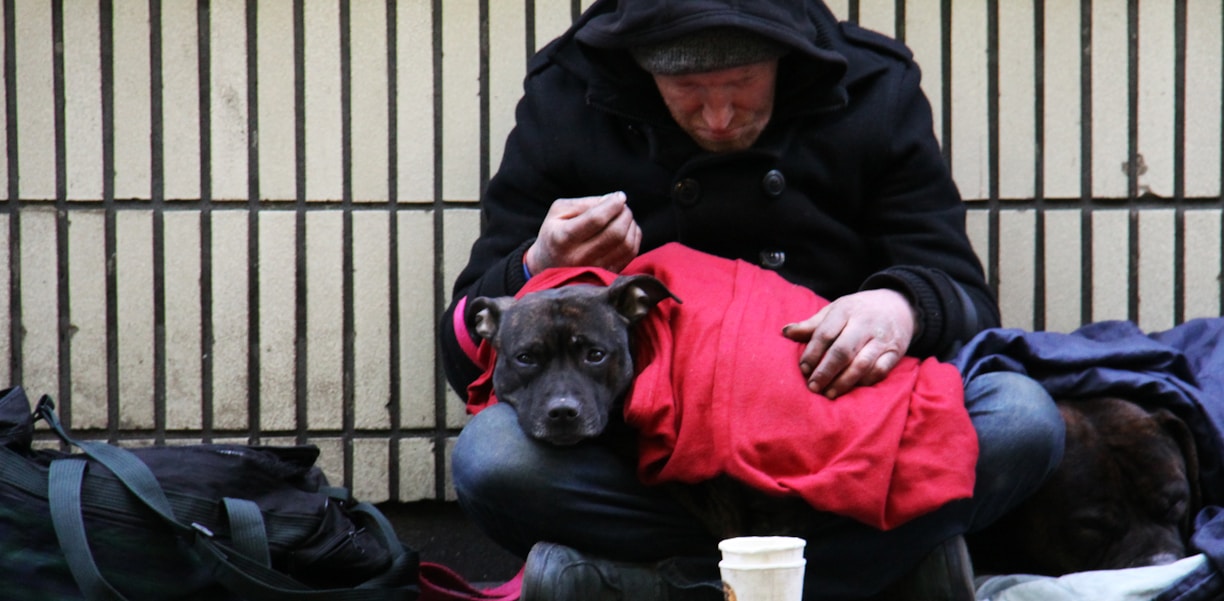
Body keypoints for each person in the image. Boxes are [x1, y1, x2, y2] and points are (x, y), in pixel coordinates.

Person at [439, 1, 1066, 599]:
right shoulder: (569, 93)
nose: (717, 117)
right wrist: (539, 262)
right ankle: (869, 571)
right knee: (493, 459)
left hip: (837, 427)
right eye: (686, 89)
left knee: (1021, 418)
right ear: (639, 68)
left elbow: (964, 297)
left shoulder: (875, 85)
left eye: (741, 82)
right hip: (647, 456)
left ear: (785, 61)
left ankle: (652, 588)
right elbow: (468, 348)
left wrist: (897, 306)